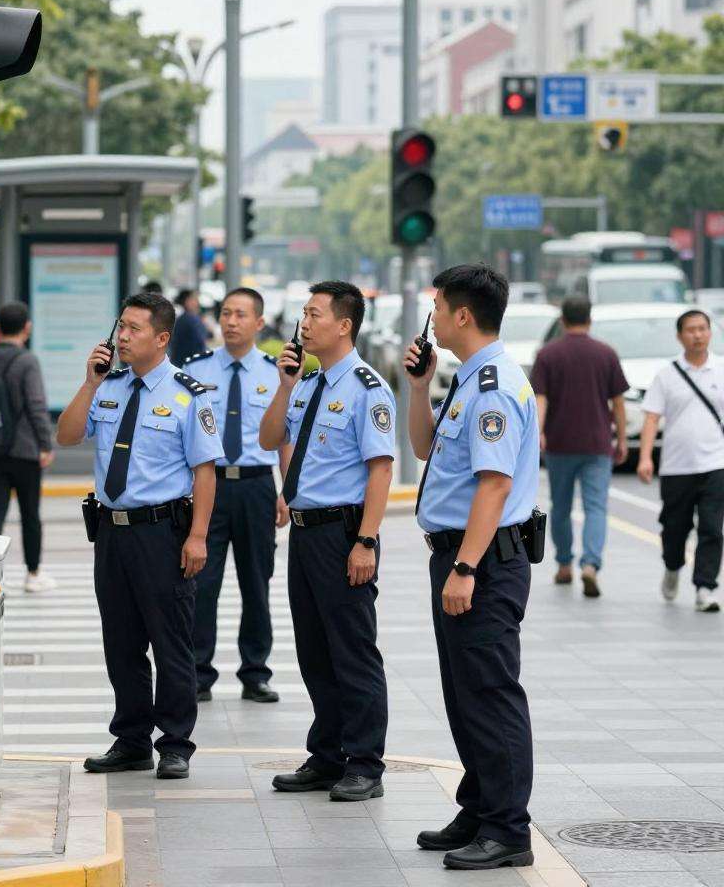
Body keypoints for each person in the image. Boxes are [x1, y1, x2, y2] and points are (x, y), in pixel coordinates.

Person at [56, 292, 223, 780]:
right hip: (112, 533)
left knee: (170, 642)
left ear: (162, 337)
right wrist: (89, 383)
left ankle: (175, 743)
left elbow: (205, 472)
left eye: (134, 328)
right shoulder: (110, 388)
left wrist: (198, 537)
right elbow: (66, 435)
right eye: (120, 326)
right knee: (121, 642)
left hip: (162, 533)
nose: (122, 336)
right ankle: (131, 739)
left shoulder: (187, 394)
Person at [406, 264, 537, 871]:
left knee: (489, 692)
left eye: (437, 306)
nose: (431, 317)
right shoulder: (465, 378)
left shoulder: (494, 385)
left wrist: (464, 568)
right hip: (463, 557)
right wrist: (418, 386)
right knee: (463, 693)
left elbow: (494, 484)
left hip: (482, 562)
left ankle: (508, 829)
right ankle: (481, 806)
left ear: (462, 315)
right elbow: (426, 449)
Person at [259, 281, 395, 803]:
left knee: (353, 651)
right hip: (306, 533)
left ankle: (365, 763)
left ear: (344, 325)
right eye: (303, 314)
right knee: (315, 651)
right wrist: (285, 386)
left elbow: (380, 470)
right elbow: (270, 439)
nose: (304, 323)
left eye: (314, 314)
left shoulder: (366, 388)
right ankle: (328, 753)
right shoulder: (309, 385)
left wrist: (366, 540)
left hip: (344, 533)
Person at [182, 287, 292, 704]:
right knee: (201, 581)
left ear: (259, 323)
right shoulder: (195, 370)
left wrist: (287, 491)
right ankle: (197, 671)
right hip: (208, 487)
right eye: (226, 313)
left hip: (256, 487)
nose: (230, 322)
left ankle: (255, 672)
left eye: (240, 315)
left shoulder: (275, 373)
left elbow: (283, 439)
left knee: (256, 583)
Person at [530, 296, 629, 597]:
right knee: (596, 507)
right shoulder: (606, 354)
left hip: (560, 444)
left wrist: (538, 434)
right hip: (598, 444)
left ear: (562, 320)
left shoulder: (547, 354)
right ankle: (590, 564)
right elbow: (619, 402)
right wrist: (621, 438)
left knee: (560, 507)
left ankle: (563, 565)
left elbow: (540, 399)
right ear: (590, 319)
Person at [638, 309, 723, 613]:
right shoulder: (667, 374)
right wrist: (646, 457)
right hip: (677, 467)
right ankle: (672, 567)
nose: (697, 335)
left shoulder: (721, 370)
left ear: (710, 332)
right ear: (679, 335)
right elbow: (651, 418)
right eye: (691, 330)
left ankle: (705, 587)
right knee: (675, 528)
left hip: (715, 463)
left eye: (703, 329)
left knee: (712, 528)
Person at [0, 302, 56, 593]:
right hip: (24, 450)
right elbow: (36, 405)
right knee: (30, 514)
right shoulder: (27, 361)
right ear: (27, 328)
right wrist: (46, 443)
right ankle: (33, 574)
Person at [169, 289, 210, 366]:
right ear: (188, 301)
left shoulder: (182, 318)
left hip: (180, 363)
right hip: (191, 364)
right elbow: (202, 340)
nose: (198, 302)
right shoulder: (191, 319)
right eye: (195, 299)